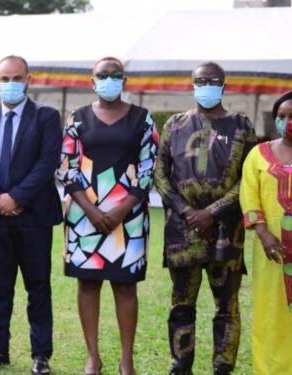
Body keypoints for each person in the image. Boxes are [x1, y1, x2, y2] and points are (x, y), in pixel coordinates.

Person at [57, 57, 158, 375]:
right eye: (103, 75)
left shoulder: (143, 118)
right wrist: (91, 210)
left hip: (128, 219)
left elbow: (147, 168)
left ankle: (126, 360)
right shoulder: (78, 118)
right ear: (92, 81)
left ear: (124, 80)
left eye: (116, 75)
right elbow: (67, 167)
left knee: (126, 286)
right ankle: (93, 357)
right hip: (84, 217)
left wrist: (119, 210)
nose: (110, 79)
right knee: (87, 284)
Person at [154, 61, 256, 375]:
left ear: (224, 85)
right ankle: (180, 364)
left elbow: (248, 177)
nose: (206, 85)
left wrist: (212, 213)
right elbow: (160, 173)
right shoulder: (175, 124)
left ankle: (222, 368)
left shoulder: (241, 124)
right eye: (201, 80)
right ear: (193, 84)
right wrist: (188, 212)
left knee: (227, 307)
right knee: (181, 304)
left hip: (227, 233)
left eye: (213, 81)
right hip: (182, 232)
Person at [0, 55, 62, 375]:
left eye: (16, 78)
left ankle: (41, 354)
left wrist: (17, 197)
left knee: (38, 286)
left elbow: (47, 162)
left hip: (33, 216)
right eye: (4, 79)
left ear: (28, 80)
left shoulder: (46, 116)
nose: (10, 85)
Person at [239, 91, 292, 375]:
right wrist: (263, 232)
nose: (287, 122)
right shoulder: (258, 154)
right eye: (281, 117)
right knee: (270, 311)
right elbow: (249, 195)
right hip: (271, 248)